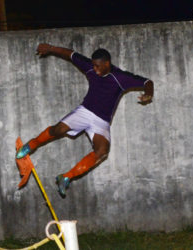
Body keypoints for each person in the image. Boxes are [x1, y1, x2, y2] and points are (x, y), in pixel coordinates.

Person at [16, 43, 154, 197]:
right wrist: (50, 49)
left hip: (102, 122)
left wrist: (149, 93)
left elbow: (147, 82)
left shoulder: (120, 77)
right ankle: (31, 145)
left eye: (98, 66)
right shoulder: (89, 67)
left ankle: (66, 177)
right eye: (93, 65)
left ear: (107, 64)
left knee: (102, 152)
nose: (94, 69)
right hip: (85, 112)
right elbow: (71, 54)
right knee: (58, 130)